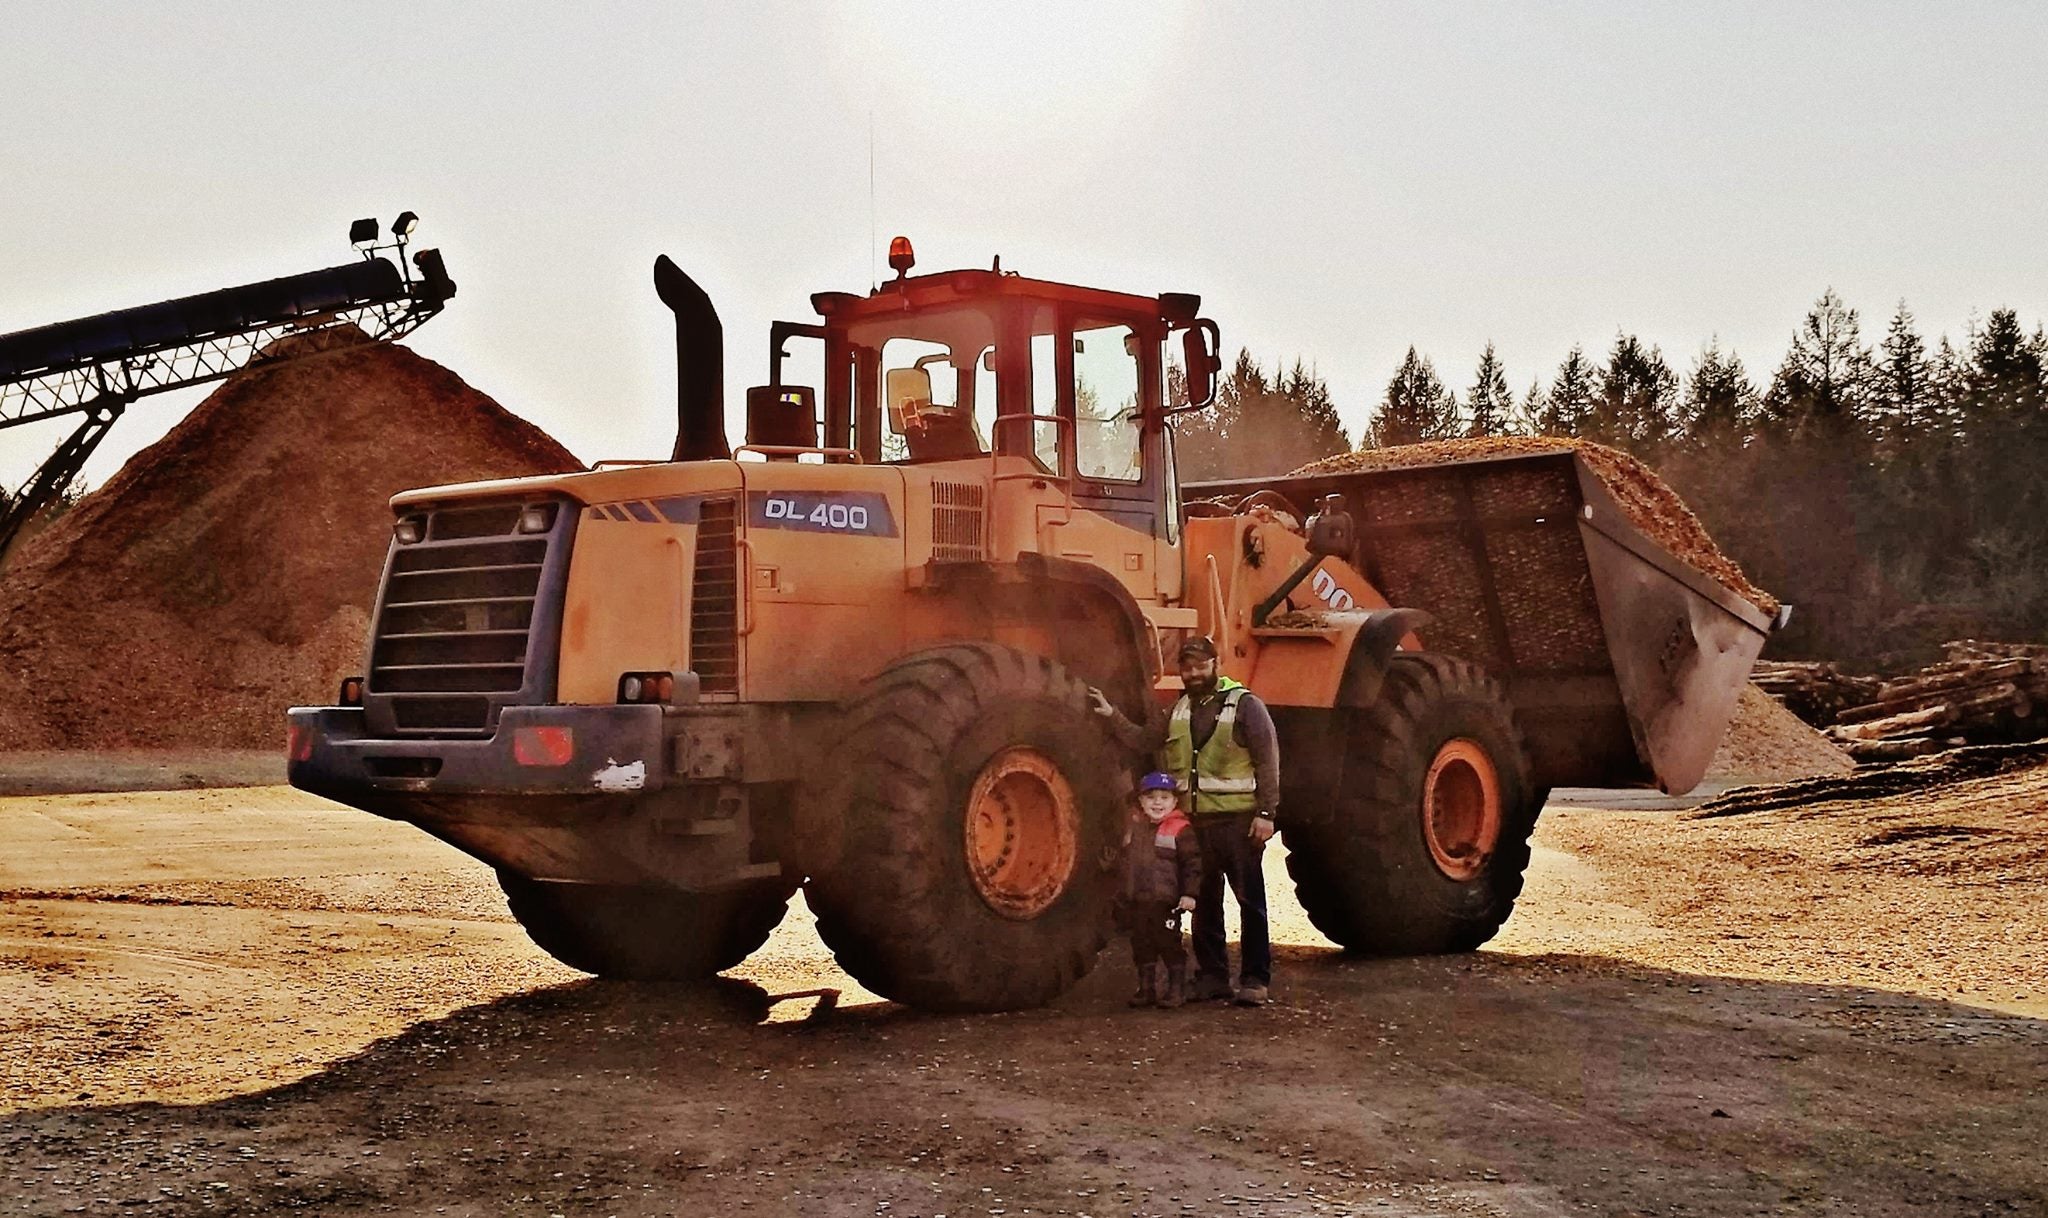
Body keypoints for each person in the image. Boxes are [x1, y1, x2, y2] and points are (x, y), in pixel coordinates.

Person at [1092, 635, 1281, 1006]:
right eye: (1187, 668)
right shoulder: (1178, 710)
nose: (1193, 674)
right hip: (1195, 825)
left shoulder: (1245, 706)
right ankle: (1213, 978)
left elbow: (1267, 759)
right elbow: (1143, 739)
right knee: (1204, 903)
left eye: (1200, 666)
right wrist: (1111, 714)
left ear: (1216, 664)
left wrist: (1266, 813)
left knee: (1250, 903)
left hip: (1238, 823)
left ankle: (1255, 980)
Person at [1117, 771, 1202, 1008]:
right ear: (1141, 801)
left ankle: (1176, 990)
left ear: (1174, 802)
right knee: (1141, 944)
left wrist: (1189, 894)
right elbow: (1124, 861)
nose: (1157, 803)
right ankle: (1146, 989)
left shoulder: (1181, 830)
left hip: (1167, 903)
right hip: (1139, 900)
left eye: (1164, 797)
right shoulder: (1135, 829)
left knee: (1169, 944)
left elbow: (1192, 865)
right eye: (1151, 797)